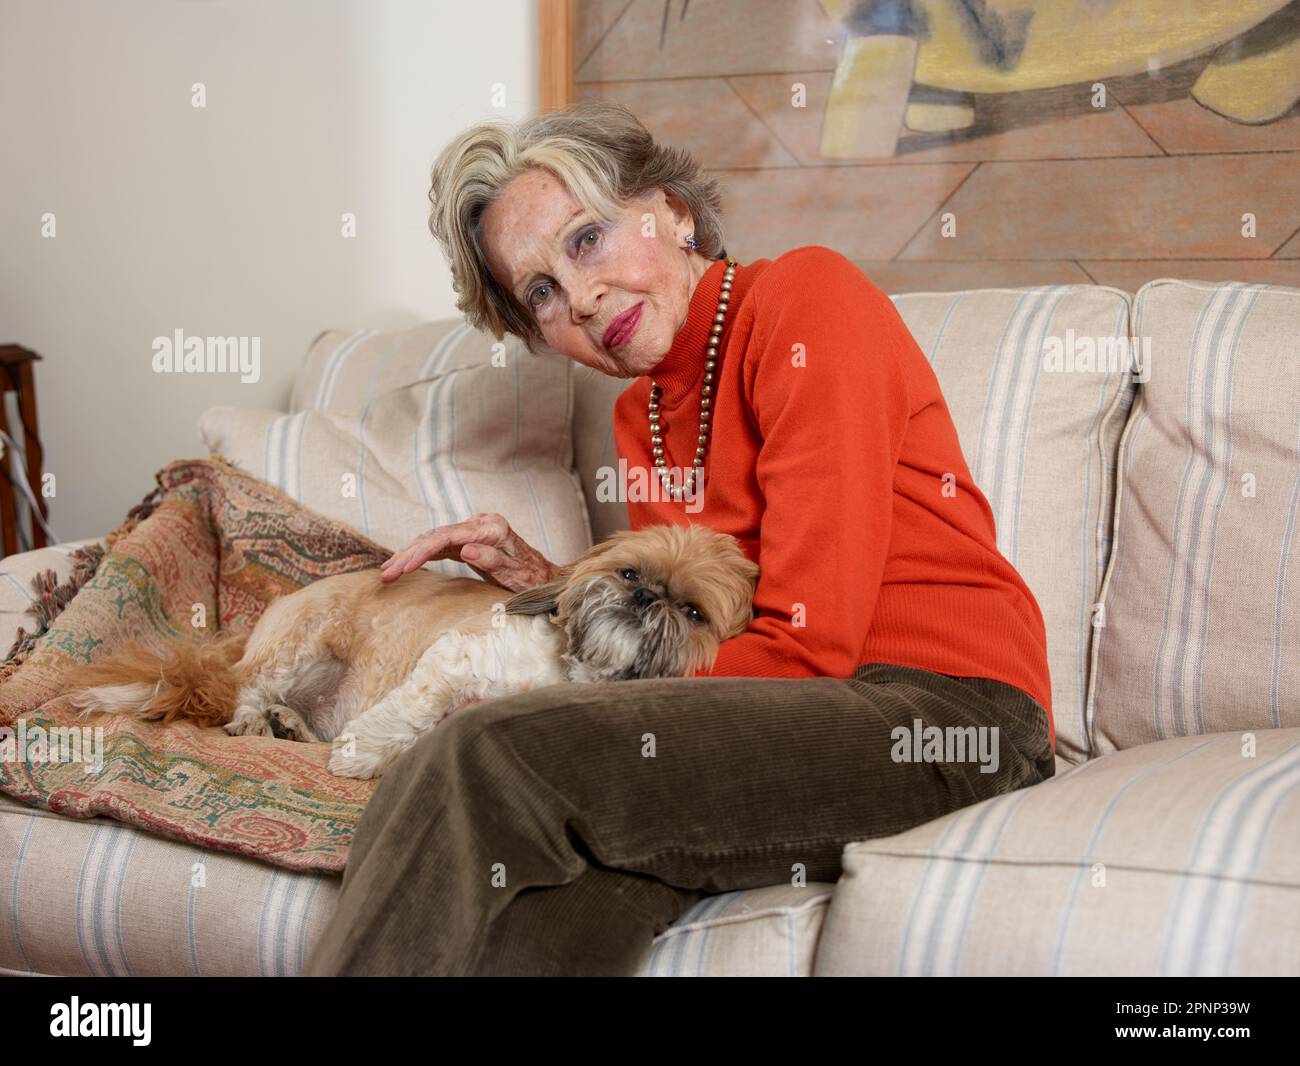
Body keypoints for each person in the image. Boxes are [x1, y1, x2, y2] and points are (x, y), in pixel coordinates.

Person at [299, 101, 1055, 977]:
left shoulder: (806, 301)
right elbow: (694, 639)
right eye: (539, 292)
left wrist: (549, 697)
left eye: (586, 240)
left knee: (484, 751)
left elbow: (810, 647)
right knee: (548, 897)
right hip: (791, 718)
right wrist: (551, 584)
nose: (579, 297)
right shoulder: (641, 416)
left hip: (945, 713)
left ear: (673, 211)